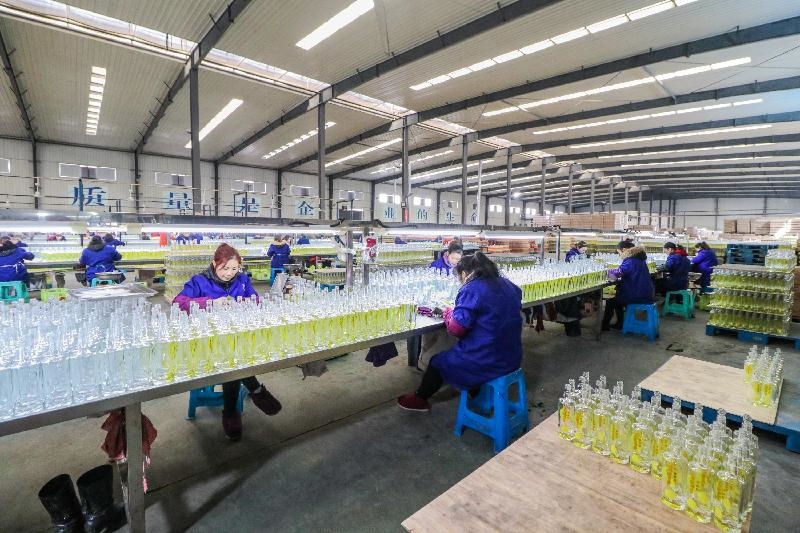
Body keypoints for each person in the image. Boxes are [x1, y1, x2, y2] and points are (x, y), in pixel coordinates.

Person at [173, 243, 282, 440]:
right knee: (232, 359)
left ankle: (245, 399)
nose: (229, 273)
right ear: (214, 263)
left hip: (237, 335)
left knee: (238, 353)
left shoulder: (242, 280)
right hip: (208, 338)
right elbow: (178, 303)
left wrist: (245, 302)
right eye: (225, 268)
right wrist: (210, 302)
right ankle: (241, 403)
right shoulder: (199, 281)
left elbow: (255, 299)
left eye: (234, 268)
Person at [398, 252, 523, 411]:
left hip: (486, 358)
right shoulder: (508, 284)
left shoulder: (472, 288)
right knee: (459, 351)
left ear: (464, 274)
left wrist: (448, 313)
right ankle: (476, 393)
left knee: (437, 362)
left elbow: (456, 329)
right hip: (511, 356)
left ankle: (419, 399)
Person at [602, 240, 654, 331]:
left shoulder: (631, 261)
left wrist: (607, 272)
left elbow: (619, 272)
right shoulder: (639, 259)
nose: (619, 255)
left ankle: (605, 325)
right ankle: (620, 323)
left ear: (624, 250)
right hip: (645, 292)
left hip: (636, 294)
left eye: (619, 252)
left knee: (611, 301)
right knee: (617, 299)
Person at [558, 240, 589, 336]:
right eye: (583, 250)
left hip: (578, 280)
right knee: (572, 304)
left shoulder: (581, 254)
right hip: (571, 280)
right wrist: (580, 258)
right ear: (578, 247)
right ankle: (573, 326)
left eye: (585, 250)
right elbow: (570, 261)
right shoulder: (571, 253)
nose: (584, 251)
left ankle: (575, 322)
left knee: (576, 304)